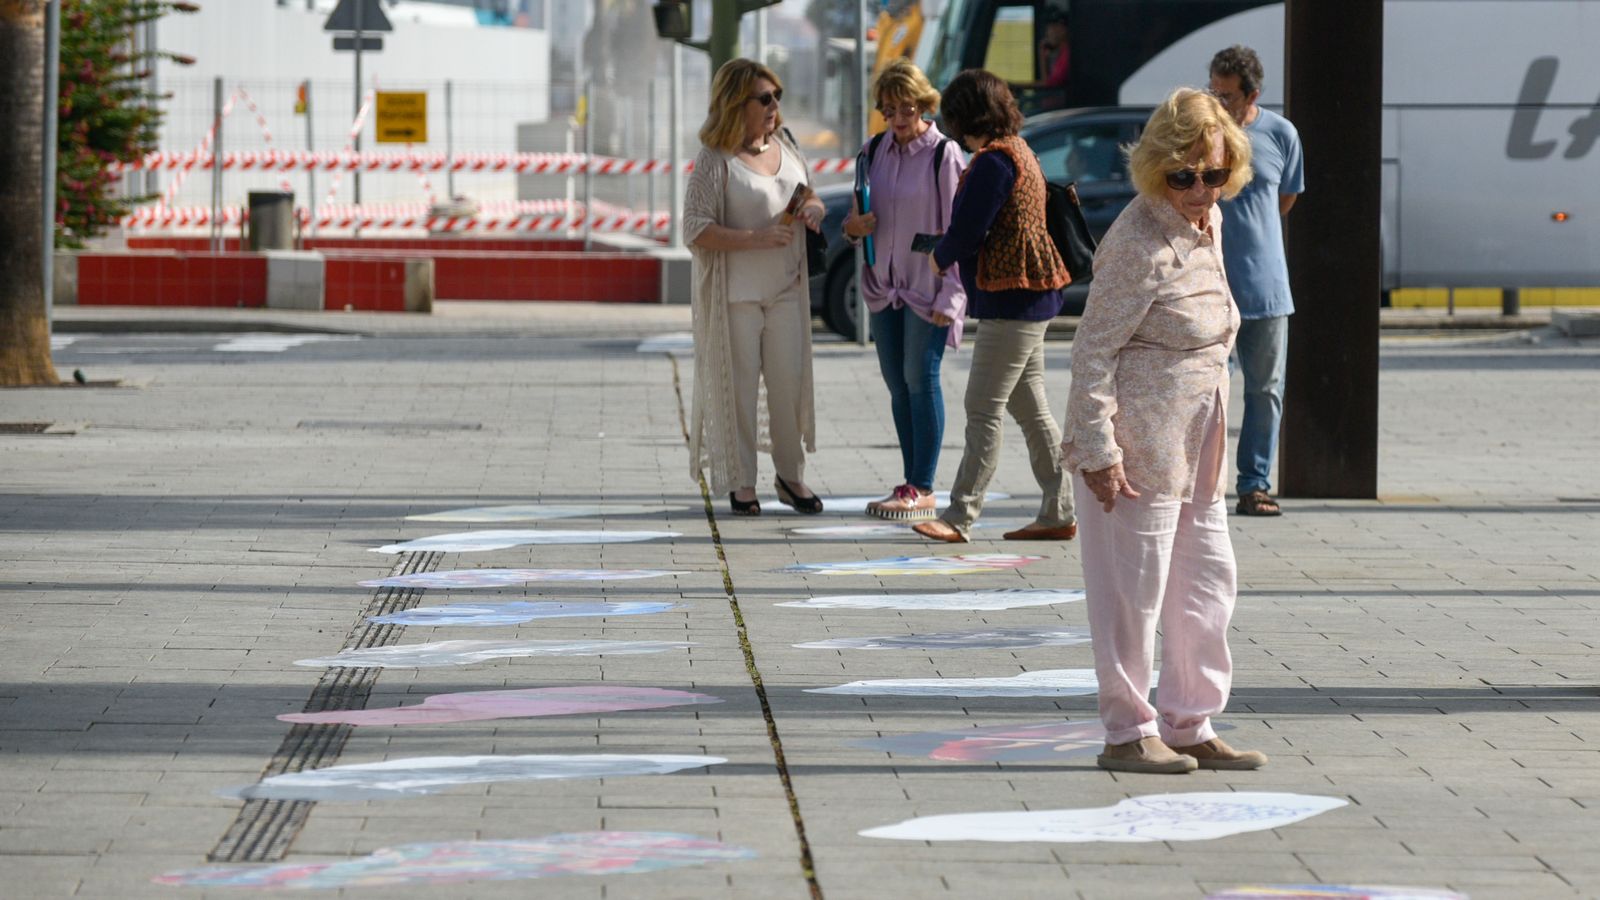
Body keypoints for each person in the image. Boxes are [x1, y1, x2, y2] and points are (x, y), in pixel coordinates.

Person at [1062, 88, 1268, 774]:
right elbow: (1090, 350)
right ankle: (1126, 733)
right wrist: (1096, 448)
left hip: (1197, 448)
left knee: (1206, 587)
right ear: (1156, 170)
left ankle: (1189, 721)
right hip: (1136, 450)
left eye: (1213, 175)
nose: (1201, 189)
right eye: (1183, 176)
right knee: (1132, 596)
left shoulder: (1208, 221)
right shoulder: (1138, 240)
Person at [911, 69, 1076, 544]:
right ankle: (1059, 510)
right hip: (1033, 294)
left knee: (982, 406)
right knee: (1031, 407)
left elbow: (969, 229)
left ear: (966, 115)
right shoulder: (1019, 150)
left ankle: (960, 516)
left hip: (1013, 297)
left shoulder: (992, 163)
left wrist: (941, 258)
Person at [683, 59, 827, 517]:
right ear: (735, 103)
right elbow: (694, 228)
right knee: (740, 391)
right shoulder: (714, 159)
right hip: (736, 297)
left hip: (786, 289)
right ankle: (743, 483)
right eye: (764, 98)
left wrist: (814, 209)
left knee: (787, 386)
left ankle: (790, 476)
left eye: (777, 96)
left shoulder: (784, 144)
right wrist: (755, 239)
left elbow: (807, 193)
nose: (774, 106)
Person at [842, 59, 968, 520]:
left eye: (907, 108)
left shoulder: (943, 154)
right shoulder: (872, 151)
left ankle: (923, 485)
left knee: (921, 379)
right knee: (898, 385)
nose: (898, 118)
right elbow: (855, 223)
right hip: (883, 286)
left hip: (927, 287)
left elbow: (961, 228)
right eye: (890, 109)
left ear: (924, 105)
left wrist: (952, 296)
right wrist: (853, 227)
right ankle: (909, 480)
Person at [1208, 45, 1305, 517]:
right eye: (1213, 91)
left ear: (1252, 95)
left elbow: (1285, 199)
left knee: (1266, 389)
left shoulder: (1281, 133)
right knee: (1210, 389)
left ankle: (1255, 484)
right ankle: (1207, 484)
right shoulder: (1203, 135)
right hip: (1209, 287)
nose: (1218, 102)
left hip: (1267, 288)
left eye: (1226, 95)